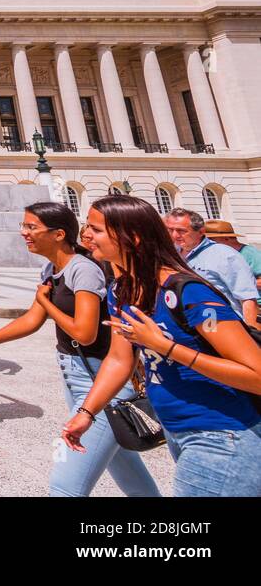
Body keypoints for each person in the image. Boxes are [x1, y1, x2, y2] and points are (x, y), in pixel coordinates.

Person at [62, 194, 261, 497]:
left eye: (96, 229)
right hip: (177, 430)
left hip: (222, 433)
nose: (86, 235)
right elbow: (119, 359)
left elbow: (256, 374)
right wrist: (88, 412)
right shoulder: (123, 290)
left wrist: (165, 347)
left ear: (133, 237)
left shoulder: (188, 292)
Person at [0, 202, 160, 496]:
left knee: (65, 486)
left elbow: (84, 333)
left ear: (58, 234)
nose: (24, 232)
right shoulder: (53, 268)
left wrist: (46, 303)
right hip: (77, 378)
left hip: (101, 382)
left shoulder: (83, 270)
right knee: (126, 470)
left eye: (31, 227)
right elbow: (33, 318)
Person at [163, 207, 258, 328]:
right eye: (170, 230)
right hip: (190, 330)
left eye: (181, 231)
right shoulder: (171, 255)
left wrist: (252, 334)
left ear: (201, 231)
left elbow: (247, 298)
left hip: (223, 327)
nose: (175, 235)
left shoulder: (225, 255)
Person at [203, 220, 261, 294]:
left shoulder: (251, 254)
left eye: (211, 240)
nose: (207, 243)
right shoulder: (220, 254)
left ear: (226, 238)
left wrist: (236, 284)